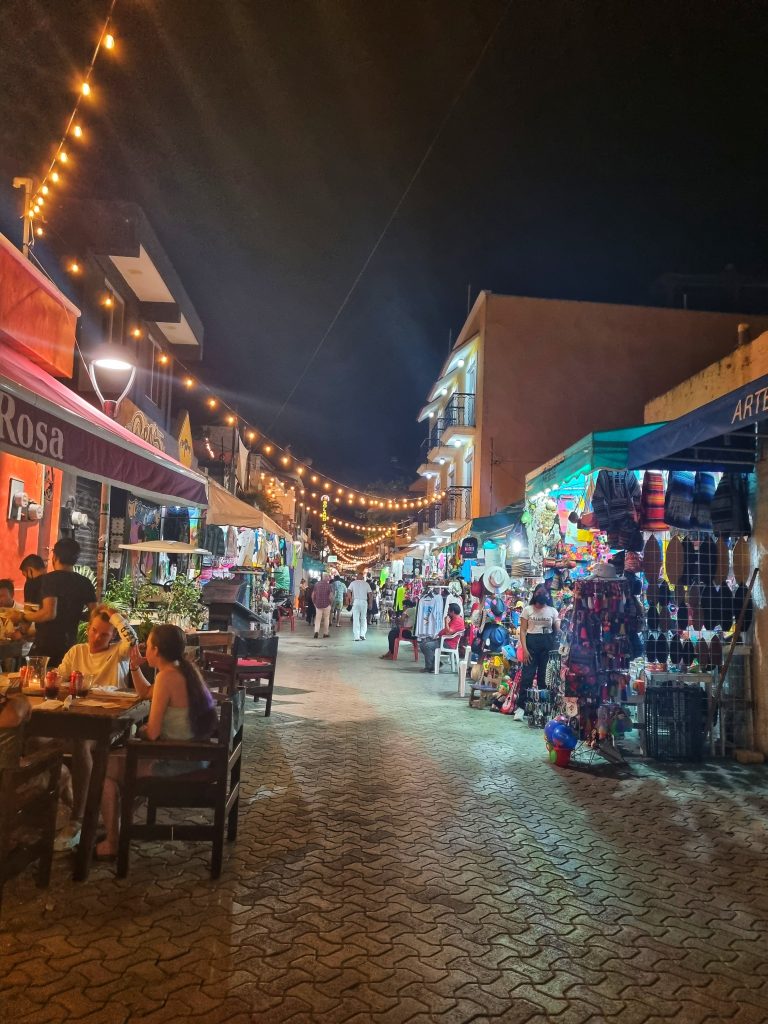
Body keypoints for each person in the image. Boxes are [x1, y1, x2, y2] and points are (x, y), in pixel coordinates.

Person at [96, 624, 217, 860]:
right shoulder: (182, 669)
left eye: (147, 646)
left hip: (180, 762)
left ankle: (113, 841)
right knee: (116, 758)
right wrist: (134, 666)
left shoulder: (167, 677)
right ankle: (119, 827)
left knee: (103, 768)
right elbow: (145, 692)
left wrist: (141, 731)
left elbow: (152, 734)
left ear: (156, 649)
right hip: (194, 755)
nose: (144, 649)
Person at [52, 605, 139, 852]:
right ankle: (63, 790)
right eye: (93, 631)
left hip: (111, 726)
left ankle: (77, 818)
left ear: (112, 636)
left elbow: (132, 641)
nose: (96, 637)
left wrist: (114, 615)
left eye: (104, 634)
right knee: (36, 740)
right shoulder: (76, 652)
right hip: (75, 720)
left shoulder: (118, 653)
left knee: (82, 743)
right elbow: (59, 677)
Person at [12, 538, 97, 667]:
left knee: (34, 682)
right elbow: (95, 614)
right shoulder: (85, 582)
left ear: (55, 557)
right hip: (70, 646)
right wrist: (76, 614)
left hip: (46, 645)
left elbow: (49, 613)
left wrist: (22, 616)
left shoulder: (48, 580)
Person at [518, 584, 560, 720]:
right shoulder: (527, 610)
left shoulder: (553, 611)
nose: (542, 594)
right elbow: (523, 631)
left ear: (548, 595)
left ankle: (542, 710)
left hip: (547, 645)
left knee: (544, 678)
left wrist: (560, 626)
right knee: (527, 677)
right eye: (539, 592)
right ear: (535, 593)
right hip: (531, 643)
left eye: (545, 592)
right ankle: (521, 707)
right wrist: (524, 649)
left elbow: (557, 630)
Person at [419, 602, 465, 673]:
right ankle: (435, 663)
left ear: (452, 612)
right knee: (422, 644)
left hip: (448, 643)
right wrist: (438, 634)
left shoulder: (458, 621)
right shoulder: (454, 619)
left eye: (448, 610)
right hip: (444, 640)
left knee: (428, 646)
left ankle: (429, 667)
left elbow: (448, 632)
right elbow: (446, 631)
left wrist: (446, 621)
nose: (447, 612)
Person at [347, 571, 372, 641]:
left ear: (357, 577)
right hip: (364, 602)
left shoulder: (353, 583)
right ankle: (362, 635)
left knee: (356, 619)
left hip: (356, 601)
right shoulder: (366, 584)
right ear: (363, 578)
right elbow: (370, 594)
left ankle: (356, 636)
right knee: (363, 618)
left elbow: (348, 591)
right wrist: (370, 603)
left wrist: (350, 599)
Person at [312, 572, 333, 638]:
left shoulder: (316, 584)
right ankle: (325, 633)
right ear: (326, 578)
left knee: (318, 619)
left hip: (318, 604)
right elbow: (331, 596)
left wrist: (314, 603)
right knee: (326, 619)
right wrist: (331, 603)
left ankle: (316, 632)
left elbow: (313, 595)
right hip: (326, 604)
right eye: (328, 577)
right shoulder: (329, 586)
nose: (328, 578)